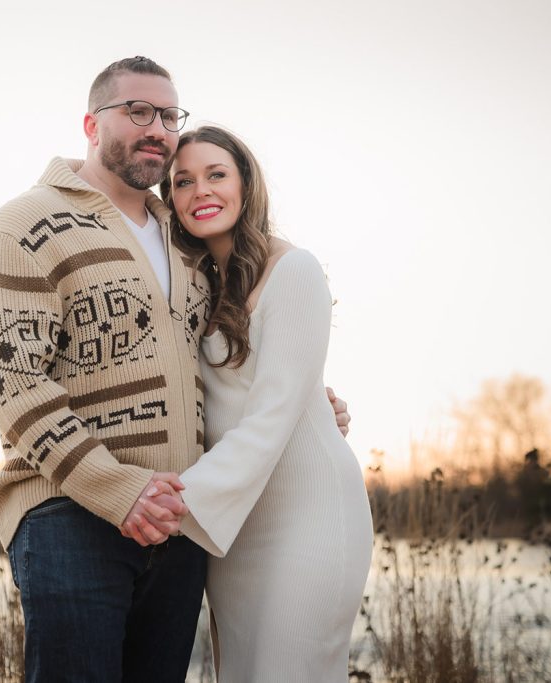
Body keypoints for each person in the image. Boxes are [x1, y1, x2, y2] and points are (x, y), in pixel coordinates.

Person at [0, 57, 350, 682]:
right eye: (137, 111)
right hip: (70, 516)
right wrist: (120, 492)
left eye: (169, 115)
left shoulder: (186, 237)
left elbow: (228, 354)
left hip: (178, 524)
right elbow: (14, 385)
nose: (157, 128)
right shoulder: (26, 225)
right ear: (91, 124)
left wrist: (308, 401)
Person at [132, 126, 374, 681]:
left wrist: (170, 504)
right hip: (233, 526)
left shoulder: (294, 269)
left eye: (216, 174)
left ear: (246, 184)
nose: (200, 191)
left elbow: (272, 417)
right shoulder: (192, 287)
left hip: (306, 513)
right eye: (183, 181)